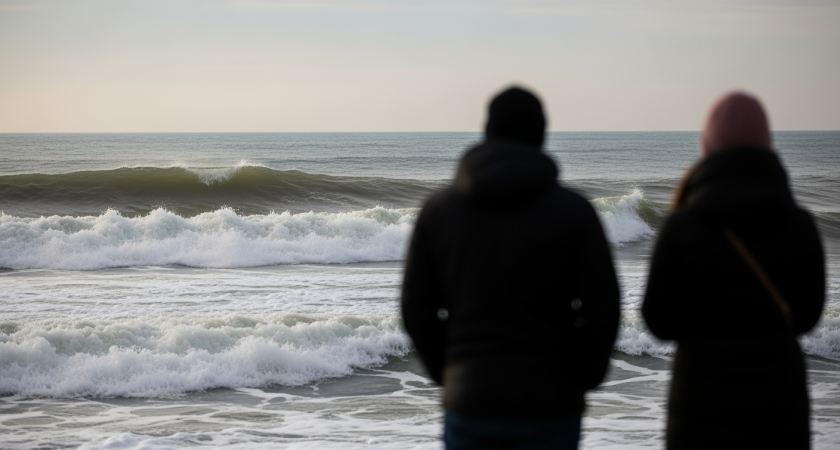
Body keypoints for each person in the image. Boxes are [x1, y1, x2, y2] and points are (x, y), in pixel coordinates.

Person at [401, 86, 620, 449]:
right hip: (552, 401)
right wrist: (585, 377)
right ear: (542, 135)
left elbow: (416, 309)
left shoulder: (439, 211)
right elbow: (603, 309)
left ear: (487, 132)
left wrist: (452, 373)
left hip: (471, 399)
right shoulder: (574, 212)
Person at [642, 92, 825, 449]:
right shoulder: (799, 225)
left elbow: (658, 321)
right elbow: (807, 317)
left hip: (699, 412)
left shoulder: (682, 227)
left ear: (706, 144)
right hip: (779, 412)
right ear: (768, 143)